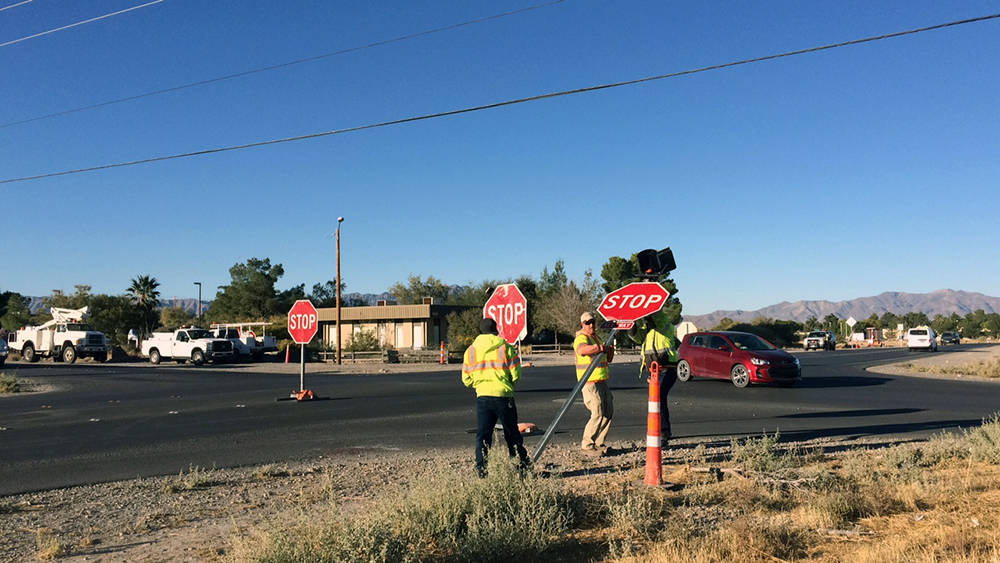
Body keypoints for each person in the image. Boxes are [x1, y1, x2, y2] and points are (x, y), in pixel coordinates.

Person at [462, 317, 528, 476]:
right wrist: (508, 386)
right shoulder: (505, 348)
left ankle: (482, 471)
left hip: (483, 397)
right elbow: (516, 374)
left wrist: (479, 384)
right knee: (512, 434)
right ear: (496, 330)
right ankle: (520, 468)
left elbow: (466, 379)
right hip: (503, 396)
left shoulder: (471, 351)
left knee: (483, 436)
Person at [574, 312, 615, 455]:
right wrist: (600, 348)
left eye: (593, 322)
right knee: (597, 412)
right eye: (587, 322)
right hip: (589, 382)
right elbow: (582, 350)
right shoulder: (581, 338)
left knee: (608, 411)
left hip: (602, 380)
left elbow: (608, 359)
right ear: (582, 324)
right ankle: (587, 444)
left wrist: (609, 349)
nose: (591, 325)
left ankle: (599, 442)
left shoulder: (595, 338)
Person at [639, 309, 678, 443]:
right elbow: (637, 337)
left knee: (658, 397)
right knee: (657, 399)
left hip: (667, 369)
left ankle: (663, 433)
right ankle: (661, 431)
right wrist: (631, 328)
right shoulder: (648, 331)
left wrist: (650, 313)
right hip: (654, 370)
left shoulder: (664, 324)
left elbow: (659, 319)